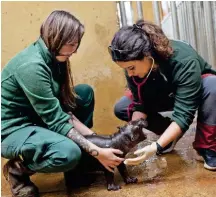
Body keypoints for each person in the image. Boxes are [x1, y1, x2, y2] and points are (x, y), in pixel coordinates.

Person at [1, 10, 124, 197]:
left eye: (77, 44)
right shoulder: (32, 66)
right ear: (56, 37)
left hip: (38, 118)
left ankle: (76, 168)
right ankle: (17, 169)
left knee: (84, 93)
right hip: (14, 130)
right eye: (72, 44)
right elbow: (57, 120)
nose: (75, 50)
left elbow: (65, 111)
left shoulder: (55, 57)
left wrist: (98, 142)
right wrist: (98, 152)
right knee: (69, 153)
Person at [108, 20, 216, 171]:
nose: (129, 73)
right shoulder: (132, 64)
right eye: (125, 69)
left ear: (147, 55)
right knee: (123, 107)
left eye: (131, 68)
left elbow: (184, 113)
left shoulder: (183, 59)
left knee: (213, 85)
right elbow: (140, 103)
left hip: (195, 92)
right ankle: (169, 133)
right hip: (164, 93)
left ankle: (207, 146)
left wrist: (156, 146)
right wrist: (129, 135)